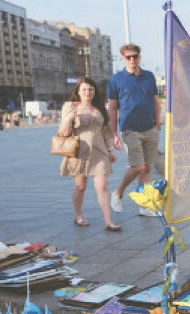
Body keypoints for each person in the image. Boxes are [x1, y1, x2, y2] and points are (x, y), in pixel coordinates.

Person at [56, 77, 121, 231]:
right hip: (79, 151)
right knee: (80, 186)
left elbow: (105, 132)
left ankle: (108, 221)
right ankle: (78, 215)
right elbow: (64, 133)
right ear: (78, 91)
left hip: (99, 152)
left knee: (102, 187)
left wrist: (110, 150)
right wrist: (69, 118)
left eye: (90, 89)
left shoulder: (100, 108)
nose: (87, 92)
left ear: (94, 91)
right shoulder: (70, 106)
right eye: (84, 89)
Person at [106, 43, 162, 216]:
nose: (132, 59)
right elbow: (112, 108)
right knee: (138, 167)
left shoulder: (149, 76)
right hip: (130, 129)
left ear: (139, 57)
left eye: (135, 56)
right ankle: (118, 193)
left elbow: (155, 101)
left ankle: (144, 206)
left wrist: (157, 122)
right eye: (128, 57)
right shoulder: (116, 79)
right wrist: (114, 134)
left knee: (147, 169)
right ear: (123, 59)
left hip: (150, 128)